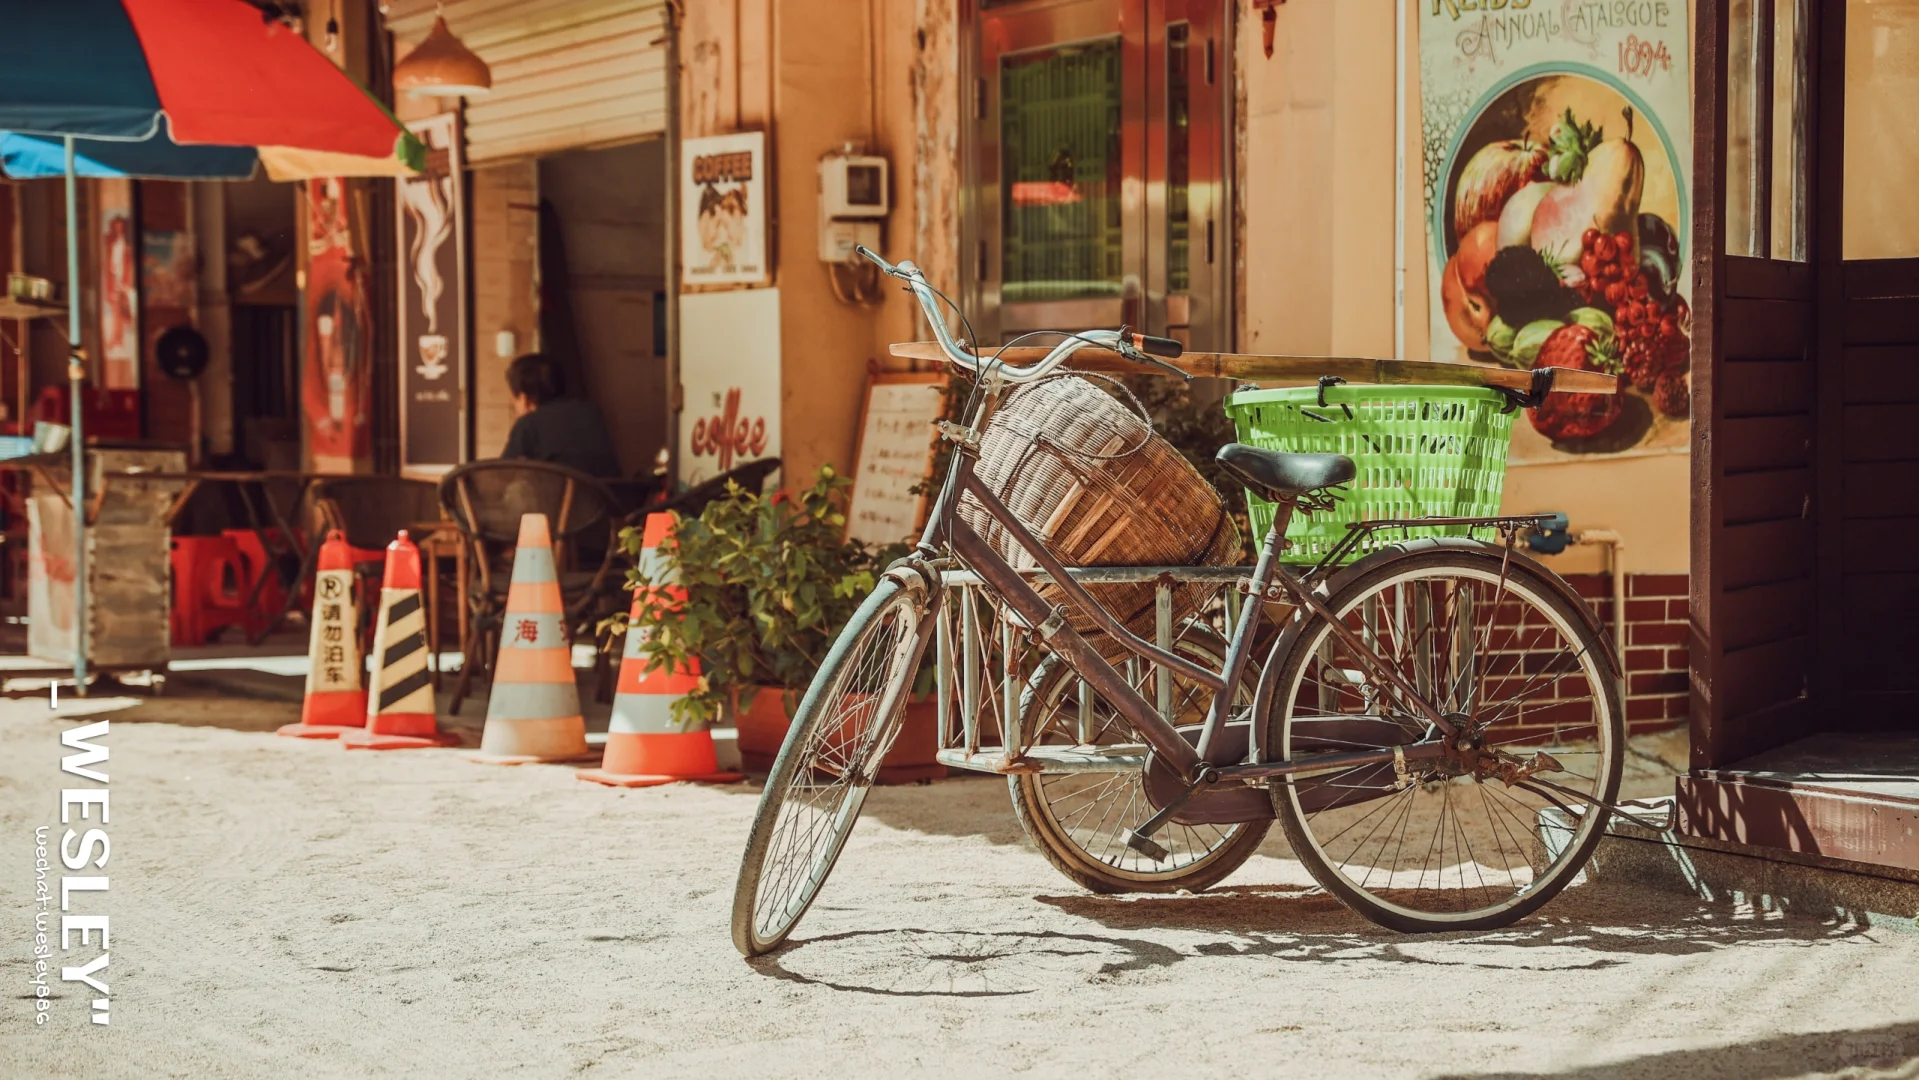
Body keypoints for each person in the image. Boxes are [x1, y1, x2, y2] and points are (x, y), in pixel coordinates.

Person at [499, 353, 623, 478]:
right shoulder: (592, 412)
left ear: (524, 399)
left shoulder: (528, 424)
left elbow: (501, 475)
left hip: (562, 490)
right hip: (605, 489)